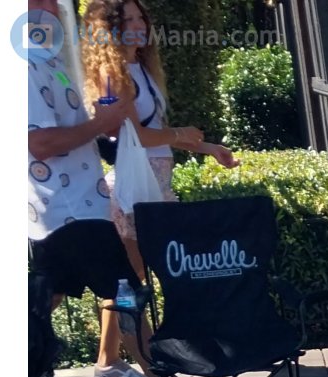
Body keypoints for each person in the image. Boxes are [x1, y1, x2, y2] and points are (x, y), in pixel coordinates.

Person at [25, 0, 146, 377]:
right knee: (127, 293)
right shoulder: (22, 67)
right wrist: (100, 123)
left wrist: (101, 125)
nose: (53, 6)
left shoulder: (52, 63)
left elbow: (73, 131)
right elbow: (38, 143)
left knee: (42, 301)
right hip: (67, 209)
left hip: (75, 206)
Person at [81, 0, 238, 281]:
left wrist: (208, 148)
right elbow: (138, 136)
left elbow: (157, 132)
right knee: (130, 280)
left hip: (155, 182)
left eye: (140, 18)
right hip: (136, 186)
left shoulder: (141, 67)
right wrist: (180, 134)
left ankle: (137, 327)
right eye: (128, 20)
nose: (138, 25)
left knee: (135, 278)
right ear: (112, 29)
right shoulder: (114, 73)